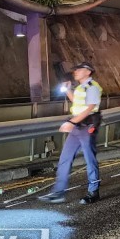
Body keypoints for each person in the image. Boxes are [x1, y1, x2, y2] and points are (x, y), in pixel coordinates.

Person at [39, 62, 103, 204]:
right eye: (76, 69)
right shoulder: (81, 87)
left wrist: (71, 122)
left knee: (90, 160)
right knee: (65, 159)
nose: (76, 72)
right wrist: (68, 91)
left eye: (79, 69)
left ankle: (93, 192)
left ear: (88, 72)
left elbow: (89, 109)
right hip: (77, 127)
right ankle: (58, 192)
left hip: (87, 127)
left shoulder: (93, 88)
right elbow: (77, 103)